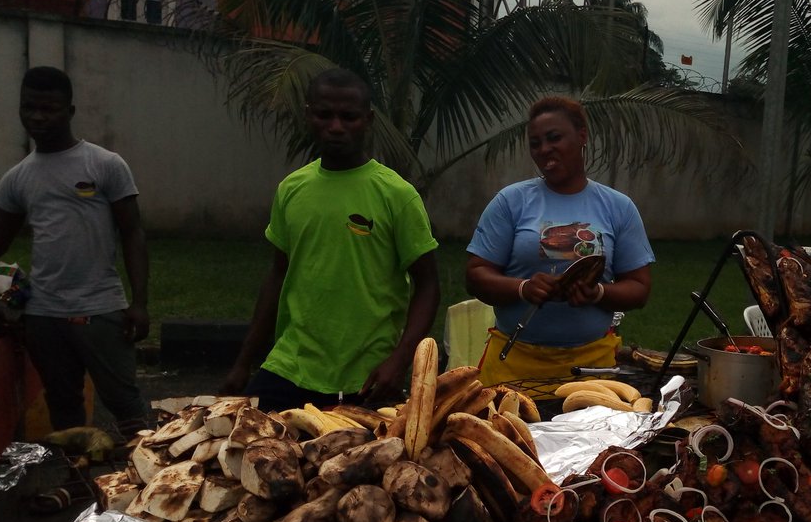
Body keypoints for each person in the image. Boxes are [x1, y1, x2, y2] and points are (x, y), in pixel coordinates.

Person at [222, 68, 440, 412]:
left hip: (365, 376)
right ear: (308, 116)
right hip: (290, 365)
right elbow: (278, 274)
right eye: (324, 115)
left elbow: (428, 285)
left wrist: (399, 360)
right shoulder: (291, 189)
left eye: (349, 117)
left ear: (368, 120)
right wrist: (243, 363)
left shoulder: (397, 194)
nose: (336, 126)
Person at [0, 66, 149, 433]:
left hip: (101, 310)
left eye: (48, 108)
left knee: (126, 406)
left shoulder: (105, 164)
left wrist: (140, 302)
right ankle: (74, 471)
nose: (37, 117)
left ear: (69, 111)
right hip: (44, 316)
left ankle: (149, 468)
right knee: (63, 406)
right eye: (29, 107)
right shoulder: (17, 178)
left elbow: (133, 233)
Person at [465, 95, 653, 394]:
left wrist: (598, 293)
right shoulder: (511, 202)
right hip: (515, 364)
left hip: (591, 368)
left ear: (582, 136)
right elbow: (476, 275)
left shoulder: (618, 207)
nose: (544, 149)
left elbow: (639, 288)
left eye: (554, 138)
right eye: (535, 143)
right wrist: (523, 288)